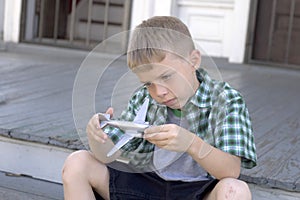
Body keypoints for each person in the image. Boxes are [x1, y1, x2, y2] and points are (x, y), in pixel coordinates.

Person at [62, 16, 257, 200]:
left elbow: (231, 170)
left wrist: (191, 144)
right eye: (148, 83)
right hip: (148, 184)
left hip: (197, 190)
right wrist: (96, 137)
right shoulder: (144, 98)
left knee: (235, 190)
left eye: (166, 77)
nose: (159, 91)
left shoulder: (225, 100)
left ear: (193, 61)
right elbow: (106, 155)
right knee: (77, 162)